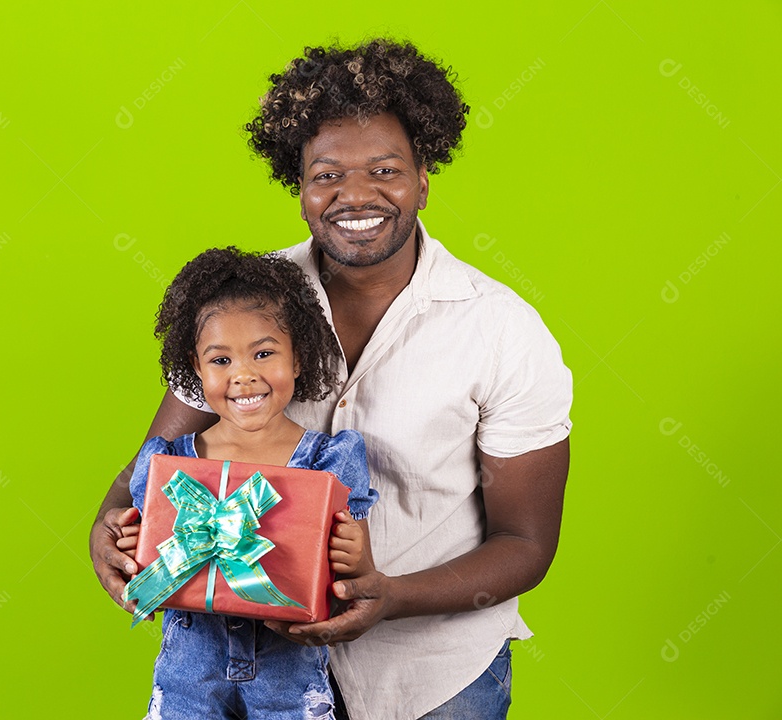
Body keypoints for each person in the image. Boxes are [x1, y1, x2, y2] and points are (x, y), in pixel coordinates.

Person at [92, 39, 573, 720]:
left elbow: (525, 545)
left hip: (437, 679)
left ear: (424, 177)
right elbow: (153, 466)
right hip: (248, 673)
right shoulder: (237, 304)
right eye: (326, 175)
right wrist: (105, 529)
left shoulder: (502, 331)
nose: (356, 196)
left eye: (385, 169)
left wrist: (392, 595)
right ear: (299, 186)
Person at [117, 246, 379, 719]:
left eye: (263, 353)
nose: (243, 375)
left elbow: (355, 584)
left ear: (298, 360)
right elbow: (146, 579)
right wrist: (134, 544)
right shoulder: (170, 464)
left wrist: (356, 558)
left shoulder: (328, 462)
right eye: (220, 361)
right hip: (186, 687)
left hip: (289, 689)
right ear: (195, 371)